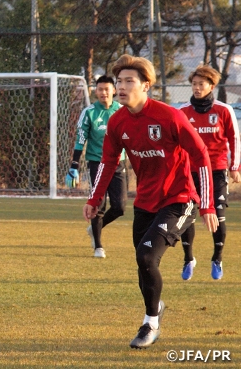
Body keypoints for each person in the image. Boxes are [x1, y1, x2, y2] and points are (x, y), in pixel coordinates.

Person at [83, 54, 217, 349]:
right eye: (119, 81)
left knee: (146, 256)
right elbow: (107, 162)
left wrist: (207, 204)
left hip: (179, 199)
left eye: (129, 81)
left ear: (146, 85)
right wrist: (95, 198)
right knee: (142, 263)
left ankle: (150, 324)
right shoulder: (117, 122)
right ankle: (155, 307)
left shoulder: (169, 116)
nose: (121, 86)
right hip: (145, 202)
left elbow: (200, 155)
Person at [179, 65, 240, 281]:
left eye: (201, 84)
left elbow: (234, 138)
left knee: (218, 215)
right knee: (187, 215)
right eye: (194, 84)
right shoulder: (183, 112)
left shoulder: (224, 110)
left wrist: (235, 167)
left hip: (216, 170)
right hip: (191, 171)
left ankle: (217, 258)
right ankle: (188, 259)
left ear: (211, 86)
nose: (197, 88)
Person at [66, 75, 126, 258]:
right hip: (97, 164)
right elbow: (80, 140)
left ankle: (94, 229)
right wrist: (74, 165)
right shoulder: (89, 112)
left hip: (118, 163)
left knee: (119, 207)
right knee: (98, 205)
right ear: (96, 91)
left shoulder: (122, 111)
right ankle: (98, 247)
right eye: (100, 89)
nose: (103, 93)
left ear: (114, 90)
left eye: (107, 89)